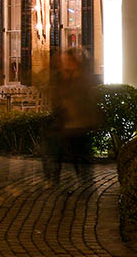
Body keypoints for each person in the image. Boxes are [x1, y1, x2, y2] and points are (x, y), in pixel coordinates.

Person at [44, 47, 101, 185]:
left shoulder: (82, 79)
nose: (65, 63)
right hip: (67, 125)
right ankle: (55, 179)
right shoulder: (63, 77)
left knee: (79, 156)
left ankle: (84, 182)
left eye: (68, 60)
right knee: (58, 153)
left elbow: (84, 99)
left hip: (80, 125)